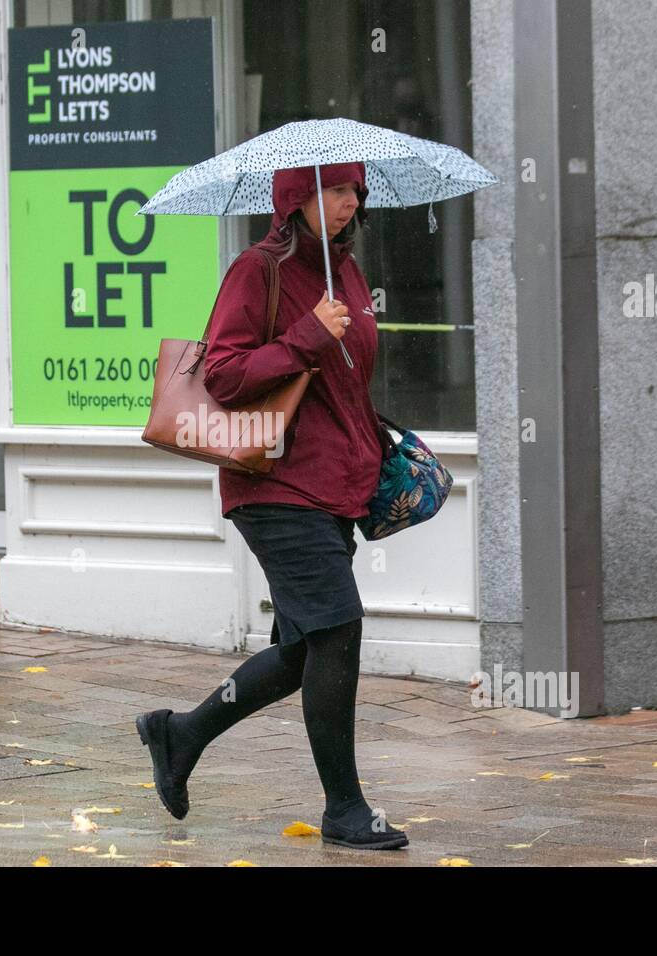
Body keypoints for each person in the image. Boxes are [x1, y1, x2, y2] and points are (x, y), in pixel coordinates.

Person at [135, 162, 407, 850]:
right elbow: (223, 375)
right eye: (334, 190)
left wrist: (375, 440)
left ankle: (180, 734)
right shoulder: (258, 271)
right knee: (338, 626)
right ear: (296, 199)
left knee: (300, 649)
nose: (349, 203)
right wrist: (306, 336)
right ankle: (344, 808)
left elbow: (343, 380)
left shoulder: (344, 271)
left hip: (333, 481)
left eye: (355, 191)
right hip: (274, 484)